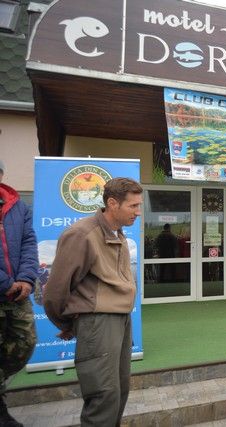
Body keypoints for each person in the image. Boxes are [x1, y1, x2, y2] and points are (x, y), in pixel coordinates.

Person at [44, 177, 143, 426]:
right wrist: (68, 323)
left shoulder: (117, 233)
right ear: (113, 203)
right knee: (103, 397)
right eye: (133, 206)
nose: (138, 212)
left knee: (118, 392)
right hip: (98, 322)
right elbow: (55, 290)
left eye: (139, 205)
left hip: (120, 319)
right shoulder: (82, 234)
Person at [0, 160, 38, 427]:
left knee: (26, 342)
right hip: (6, 286)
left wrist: (25, 278)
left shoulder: (17, 206)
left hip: (18, 293)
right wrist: (5, 282)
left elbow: (28, 242)